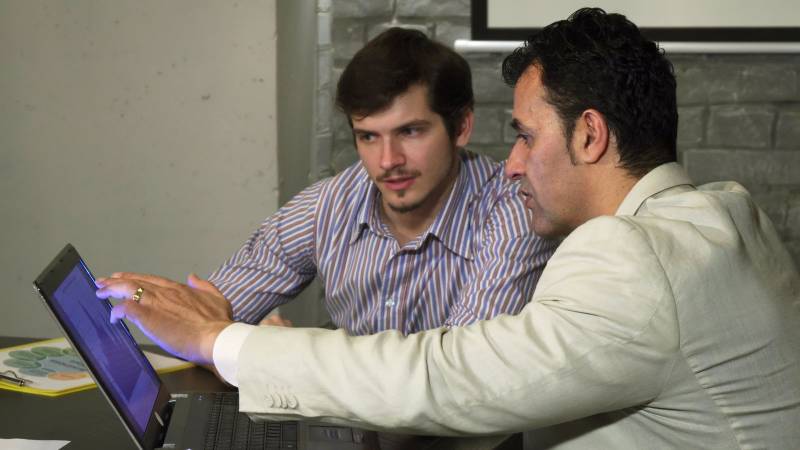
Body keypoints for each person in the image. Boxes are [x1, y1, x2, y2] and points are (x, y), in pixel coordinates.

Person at [96, 8, 800, 449]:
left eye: (526, 136)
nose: (513, 163)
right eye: (368, 137)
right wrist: (213, 328)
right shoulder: (727, 211)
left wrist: (225, 341)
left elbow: (448, 379)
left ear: (589, 134)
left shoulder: (628, 256)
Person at [205, 27, 555, 336]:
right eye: (369, 137)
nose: (388, 161)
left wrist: (287, 356)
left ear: (461, 127)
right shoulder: (329, 204)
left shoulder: (515, 210)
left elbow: (460, 371)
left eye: (410, 131)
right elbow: (201, 318)